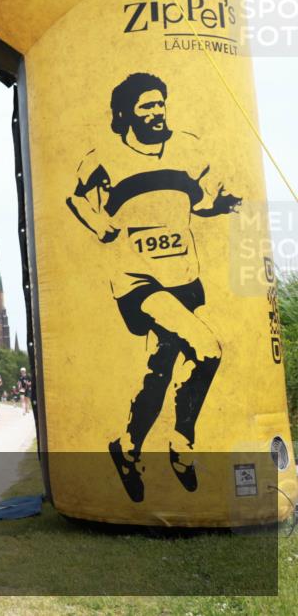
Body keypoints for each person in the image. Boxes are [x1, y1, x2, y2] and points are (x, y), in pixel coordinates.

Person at [67, 73, 239, 503]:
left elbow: (198, 203)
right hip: (137, 280)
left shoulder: (188, 148)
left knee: (158, 373)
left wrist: (220, 205)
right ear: (125, 114)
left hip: (184, 276)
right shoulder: (105, 156)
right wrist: (98, 223)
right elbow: (77, 197)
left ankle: (126, 448)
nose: (156, 111)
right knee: (208, 348)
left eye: (160, 103)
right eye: (146, 106)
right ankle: (182, 444)